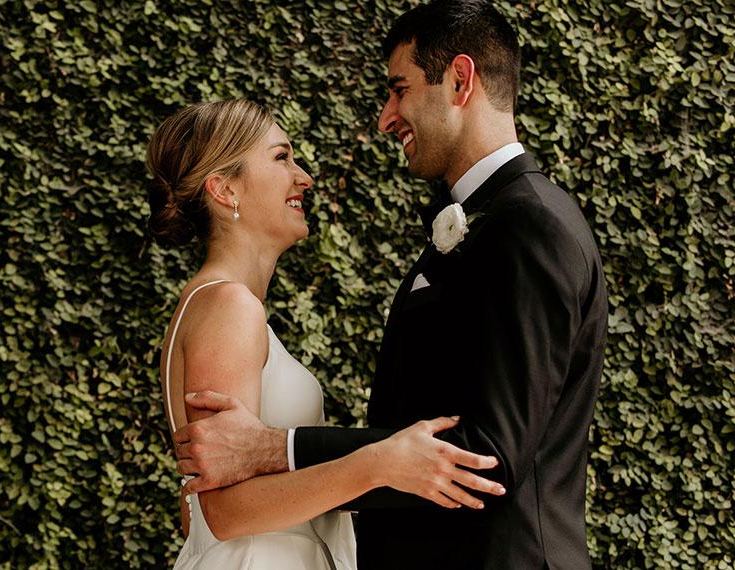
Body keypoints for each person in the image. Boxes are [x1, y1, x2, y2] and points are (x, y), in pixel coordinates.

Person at [173, 2, 609, 569]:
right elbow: (211, 504)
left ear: (460, 80)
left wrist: (279, 448)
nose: (385, 118)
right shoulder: (483, 223)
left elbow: (487, 457)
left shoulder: (530, 225)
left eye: (399, 90)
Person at [147, 99, 506, 569]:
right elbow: (224, 512)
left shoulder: (215, 305)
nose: (304, 178)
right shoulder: (228, 306)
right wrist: (377, 463)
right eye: (281, 157)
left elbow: (193, 508)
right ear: (225, 189)